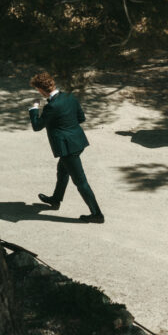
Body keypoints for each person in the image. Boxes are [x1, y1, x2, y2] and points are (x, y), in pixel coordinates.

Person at [28, 72, 104, 223]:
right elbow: (81, 118)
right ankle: (56, 199)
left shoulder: (52, 106)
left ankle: (97, 214)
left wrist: (34, 109)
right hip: (78, 142)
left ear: (41, 90)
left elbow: (37, 126)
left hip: (67, 148)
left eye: (38, 90)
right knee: (62, 171)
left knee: (81, 182)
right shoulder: (69, 97)